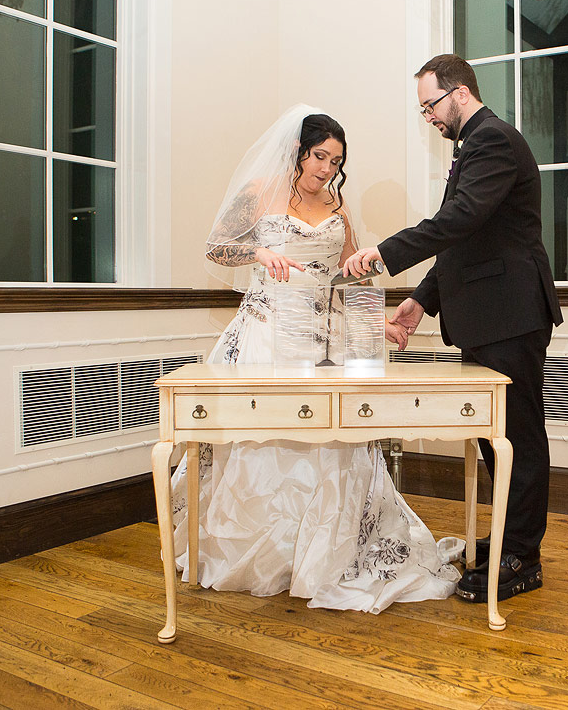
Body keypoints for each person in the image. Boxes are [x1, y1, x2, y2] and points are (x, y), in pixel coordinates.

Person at [170, 104, 461, 613]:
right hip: (264, 336)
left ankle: (324, 557)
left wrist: (380, 322)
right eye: (320, 156)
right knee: (261, 448)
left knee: (332, 444)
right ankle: (261, 555)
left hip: (322, 343)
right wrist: (259, 254)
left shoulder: (337, 206)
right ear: (298, 151)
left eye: (336, 161)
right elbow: (217, 248)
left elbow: (349, 279)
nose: (327, 169)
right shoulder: (261, 191)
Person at [342, 55, 563, 603]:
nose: (429, 118)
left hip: (510, 315)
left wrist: (384, 253)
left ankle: (523, 557)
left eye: (431, 106)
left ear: (460, 92)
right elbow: (465, 241)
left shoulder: (492, 140)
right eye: (423, 110)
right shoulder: (474, 146)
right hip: (490, 317)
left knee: (518, 438)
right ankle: (510, 537)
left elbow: (458, 220)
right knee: (495, 435)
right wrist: (422, 300)